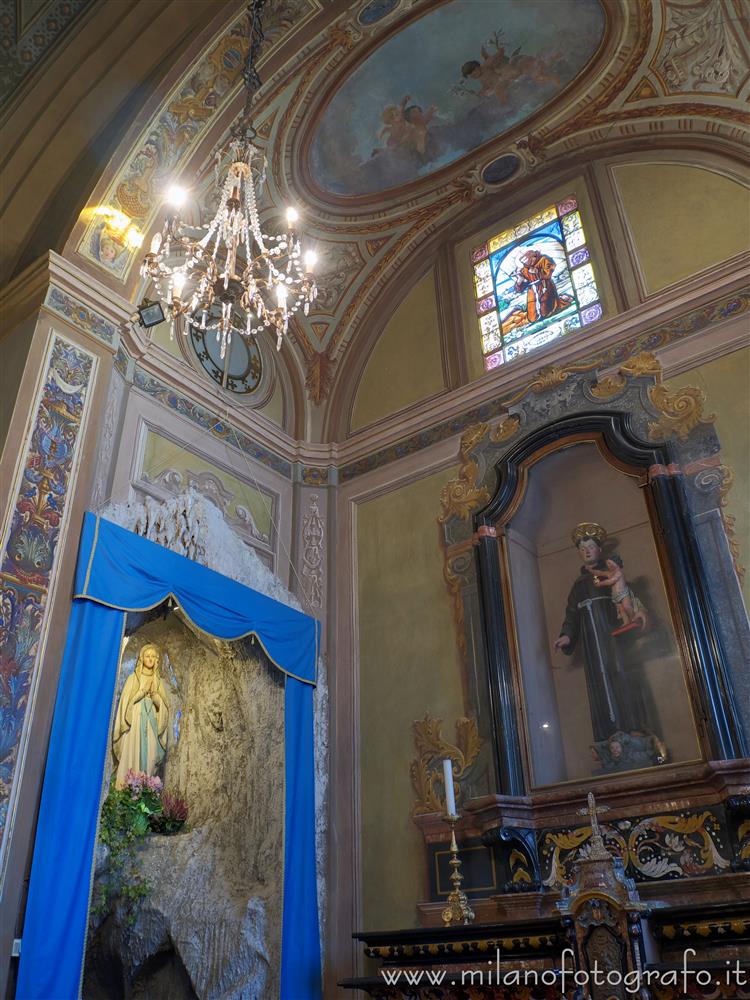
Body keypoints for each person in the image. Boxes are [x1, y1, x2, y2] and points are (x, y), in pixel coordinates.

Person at [553, 523, 651, 745]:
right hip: (591, 641)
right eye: (582, 548)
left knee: (621, 675)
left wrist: (636, 613)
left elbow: (626, 594)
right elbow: (571, 615)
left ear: (599, 550)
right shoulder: (578, 586)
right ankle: (607, 735)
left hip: (612, 635)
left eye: (590, 546)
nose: (587, 551)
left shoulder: (611, 574)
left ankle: (633, 726)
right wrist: (567, 635)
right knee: (598, 683)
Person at [112, 643, 169, 787]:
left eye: (153, 656)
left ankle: (146, 787)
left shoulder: (158, 681)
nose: (150, 659)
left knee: (149, 756)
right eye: (147, 656)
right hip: (135, 723)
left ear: (156, 660)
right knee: (132, 752)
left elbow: (163, 708)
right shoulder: (133, 679)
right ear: (141, 658)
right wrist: (141, 693)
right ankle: (126, 788)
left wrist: (155, 696)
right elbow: (126, 703)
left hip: (150, 726)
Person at [504, 248, 572, 332]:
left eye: (527, 262)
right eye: (524, 263)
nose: (526, 265)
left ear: (533, 258)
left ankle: (555, 306)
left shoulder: (544, 260)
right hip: (532, 292)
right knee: (532, 318)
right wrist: (519, 279)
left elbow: (548, 273)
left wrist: (537, 272)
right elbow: (519, 289)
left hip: (545, 287)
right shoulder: (525, 269)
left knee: (546, 311)